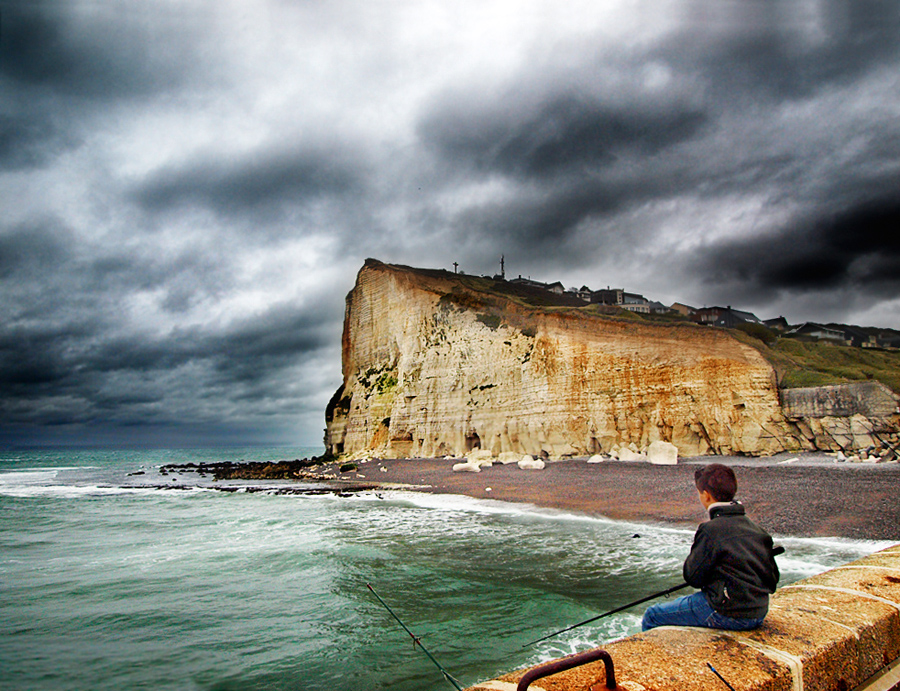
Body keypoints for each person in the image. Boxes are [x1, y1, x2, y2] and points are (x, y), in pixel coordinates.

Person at [642, 463, 780, 632]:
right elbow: (772, 580)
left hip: (727, 612)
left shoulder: (710, 530)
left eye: (699, 493)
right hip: (758, 613)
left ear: (706, 496)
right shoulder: (756, 529)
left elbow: (692, 577)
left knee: (652, 615)